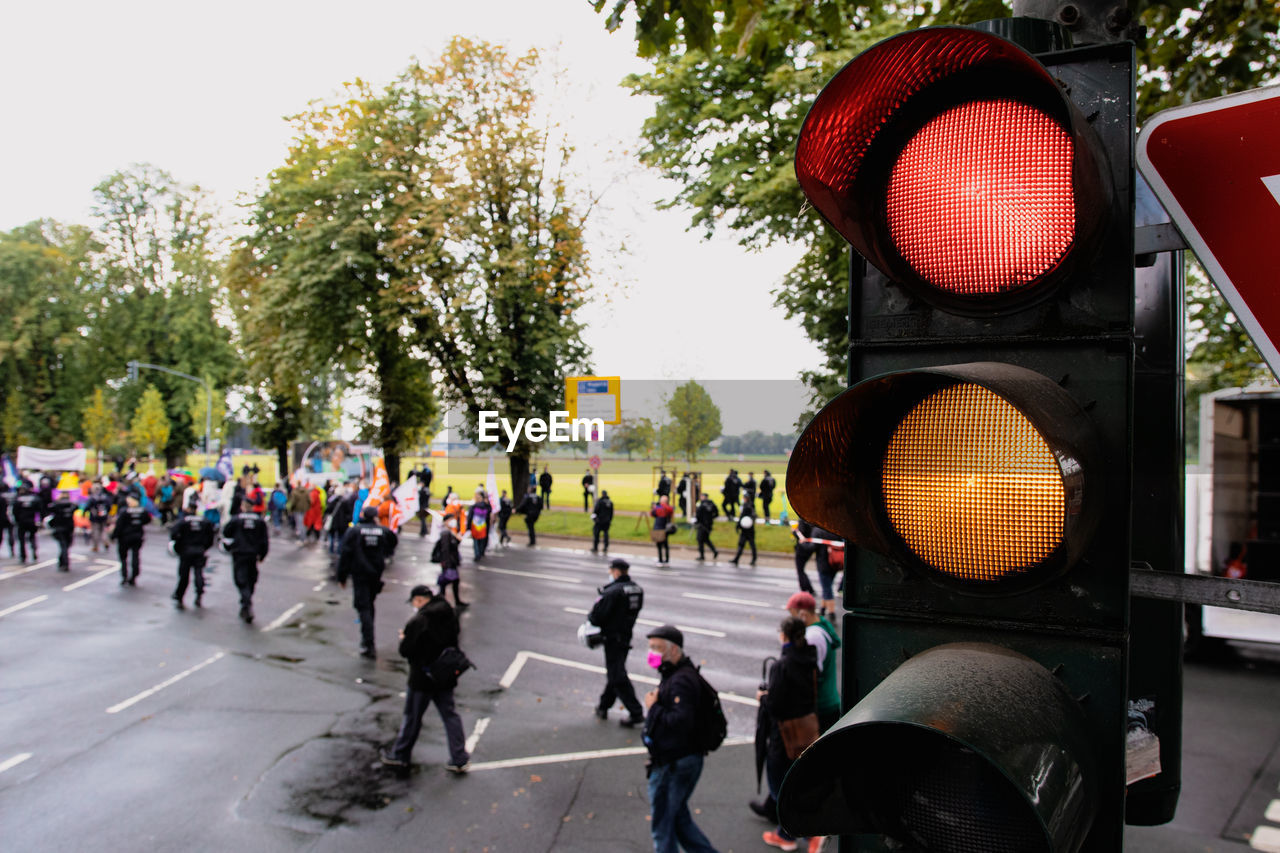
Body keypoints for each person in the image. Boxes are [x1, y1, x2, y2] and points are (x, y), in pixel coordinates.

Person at [641, 625, 719, 853]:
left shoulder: (681, 681)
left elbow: (680, 722)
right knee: (679, 821)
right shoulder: (676, 674)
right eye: (650, 648)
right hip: (680, 760)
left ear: (674, 651)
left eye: (656, 648)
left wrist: (653, 708)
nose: (651, 653)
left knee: (663, 826)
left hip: (674, 764)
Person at [380, 584, 470, 773]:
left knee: (412, 716)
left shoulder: (419, 620)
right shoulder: (448, 612)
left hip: (422, 677)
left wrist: (404, 637)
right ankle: (459, 756)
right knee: (450, 715)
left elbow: (406, 650)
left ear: (419, 600)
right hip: (444, 674)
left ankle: (400, 755)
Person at [758, 617, 821, 853]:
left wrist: (762, 697)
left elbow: (774, 705)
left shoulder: (782, 665)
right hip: (806, 728)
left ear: (784, 635)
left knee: (779, 788)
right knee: (797, 782)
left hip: (783, 735)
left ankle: (803, 834)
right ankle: (789, 833)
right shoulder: (809, 658)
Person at [589, 558, 645, 725]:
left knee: (617, 675)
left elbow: (596, 617)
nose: (610, 575)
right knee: (615, 671)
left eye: (611, 572)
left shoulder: (613, 592)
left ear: (617, 572)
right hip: (626, 636)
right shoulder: (637, 589)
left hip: (612, 638)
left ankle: (636, 712)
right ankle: (603, 706)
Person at [338, 506, 399, 659]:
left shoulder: (355, 531)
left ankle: (368, 643)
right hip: (375, 573)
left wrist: (342, 576)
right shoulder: (382, 531)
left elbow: (345, 553)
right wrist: (385, 553)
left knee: (363, 607)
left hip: (360, 573)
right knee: (369, 605)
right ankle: (368, 638)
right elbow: (393, 540)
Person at [785, 592, 842, 731]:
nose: (792, 619)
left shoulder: (812, 637)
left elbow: (808, 674)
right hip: (829, 702)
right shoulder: (822, 627)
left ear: (803, 613)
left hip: (820, 707)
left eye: (793, 614)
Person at [222, 499, 269, 623]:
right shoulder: (259, 521)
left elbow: (226, 532)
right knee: (251, 579)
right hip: (252, 554)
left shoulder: (236, 519)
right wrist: (263, 554)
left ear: (243, 506)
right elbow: (264, 540)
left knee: (241, 580)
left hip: (239, 553)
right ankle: (246, 603)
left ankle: (246, 603)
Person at [170, 497, 216, 609]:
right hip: (199, 550)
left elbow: (173, 534)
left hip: (186, 551)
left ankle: (180, 596)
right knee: (199, 573)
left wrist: (179, 546)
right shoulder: (204, 521)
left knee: (184, 576)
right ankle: (199, 594)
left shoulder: (183, 521)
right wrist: (204, 547)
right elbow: (211, 536)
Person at [112, 493, 151, 585]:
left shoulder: (125, 511)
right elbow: (147, 520)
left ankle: (125, 575)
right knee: (135, 556)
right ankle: (134, 576)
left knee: (123, 557)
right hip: (137, 536)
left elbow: (119, 525)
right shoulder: (142, 511)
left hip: (125, 537)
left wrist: (114, 536)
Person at [434, 515, 467, 609]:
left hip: (451, 560)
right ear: (445, 521)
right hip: (449, 561)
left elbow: (454, 544)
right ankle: (441, 600)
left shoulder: (450, 532)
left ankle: (446, 600)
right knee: (448, 580)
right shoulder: (445, 533)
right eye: (451, 520)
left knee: (454, 580)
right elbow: (445, 549)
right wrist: (446, 563)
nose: (453, 521)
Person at [45, 491, 76, 571]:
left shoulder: (57, 504)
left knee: (63, 546)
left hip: (60, 527)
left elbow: (49, 509)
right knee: (65, 545)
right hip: (68, 527)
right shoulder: (71, 504)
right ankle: (63, 562)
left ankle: (64, 562)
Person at [12, 481, 42, 563]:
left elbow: (14, 512)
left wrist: (17, 520)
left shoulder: (18, 499)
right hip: (31, 521)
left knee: (22, 540)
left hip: (22, 522)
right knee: (32, 538)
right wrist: (39, 521)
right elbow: (40, 510)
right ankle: (34, 553)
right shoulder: (35, 498)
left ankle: (23, 556)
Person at [729, 503, 757, 567]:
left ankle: (754, 559)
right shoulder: (749, 509)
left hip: (749, 532)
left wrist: (738, 526)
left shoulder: (749, 509)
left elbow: (752, 517)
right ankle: (736, 559)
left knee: (751, 546)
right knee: (741, 545)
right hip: (745, 531)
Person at [87, 483, 113, 553]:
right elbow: (109, 506)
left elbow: (87, 507)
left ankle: (96, 546)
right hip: (104, 516)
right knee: (104, 530)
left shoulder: (92, 498)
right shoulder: (105, 497)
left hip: (94, 517)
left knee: (95, 531)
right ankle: (106, 541)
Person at [466, 489, 491, 561]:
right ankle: (480, 552)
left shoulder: (474, 507)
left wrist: (468, 527)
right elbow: (490, 512)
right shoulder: (486, 506)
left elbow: (470, 517)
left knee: (475, 541)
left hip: (475, 526)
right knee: (481, 540)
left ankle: (477, 554)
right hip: (483, 526)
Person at [694, 493, 719, 561]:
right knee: (706, 539)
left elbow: (698, 515)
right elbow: (717, 513)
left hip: (702, 525)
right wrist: (711, 518)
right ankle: (714, 551)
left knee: (700, 540)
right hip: (709, 525)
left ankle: (702, 555)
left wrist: (697, 522)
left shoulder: (701, 505)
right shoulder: (711, 504)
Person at [651, 495, 675, 566]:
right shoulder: (669, 508)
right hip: (665, 528)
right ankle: (666, 559)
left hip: (659, 528)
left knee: (659, 545)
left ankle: (661, 560)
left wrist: (655, 507)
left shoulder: (660, 507)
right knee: (665, 544)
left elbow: (652, 513)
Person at [591, 490, 614, 554]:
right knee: (606, 534)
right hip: (607, 521)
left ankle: (595, 547)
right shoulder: (610, 502)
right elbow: (612, 513)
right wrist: (609, 520)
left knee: (596, 534)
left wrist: (595, 519)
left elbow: (595, 511)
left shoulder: (600, 502)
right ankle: (605, 547)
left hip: (599, 521)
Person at [0, 487, 13, 558]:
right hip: (9, 518)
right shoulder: (12, 496)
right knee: (11, 535)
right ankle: (12, 550)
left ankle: (12, 549)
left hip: (3, 519)